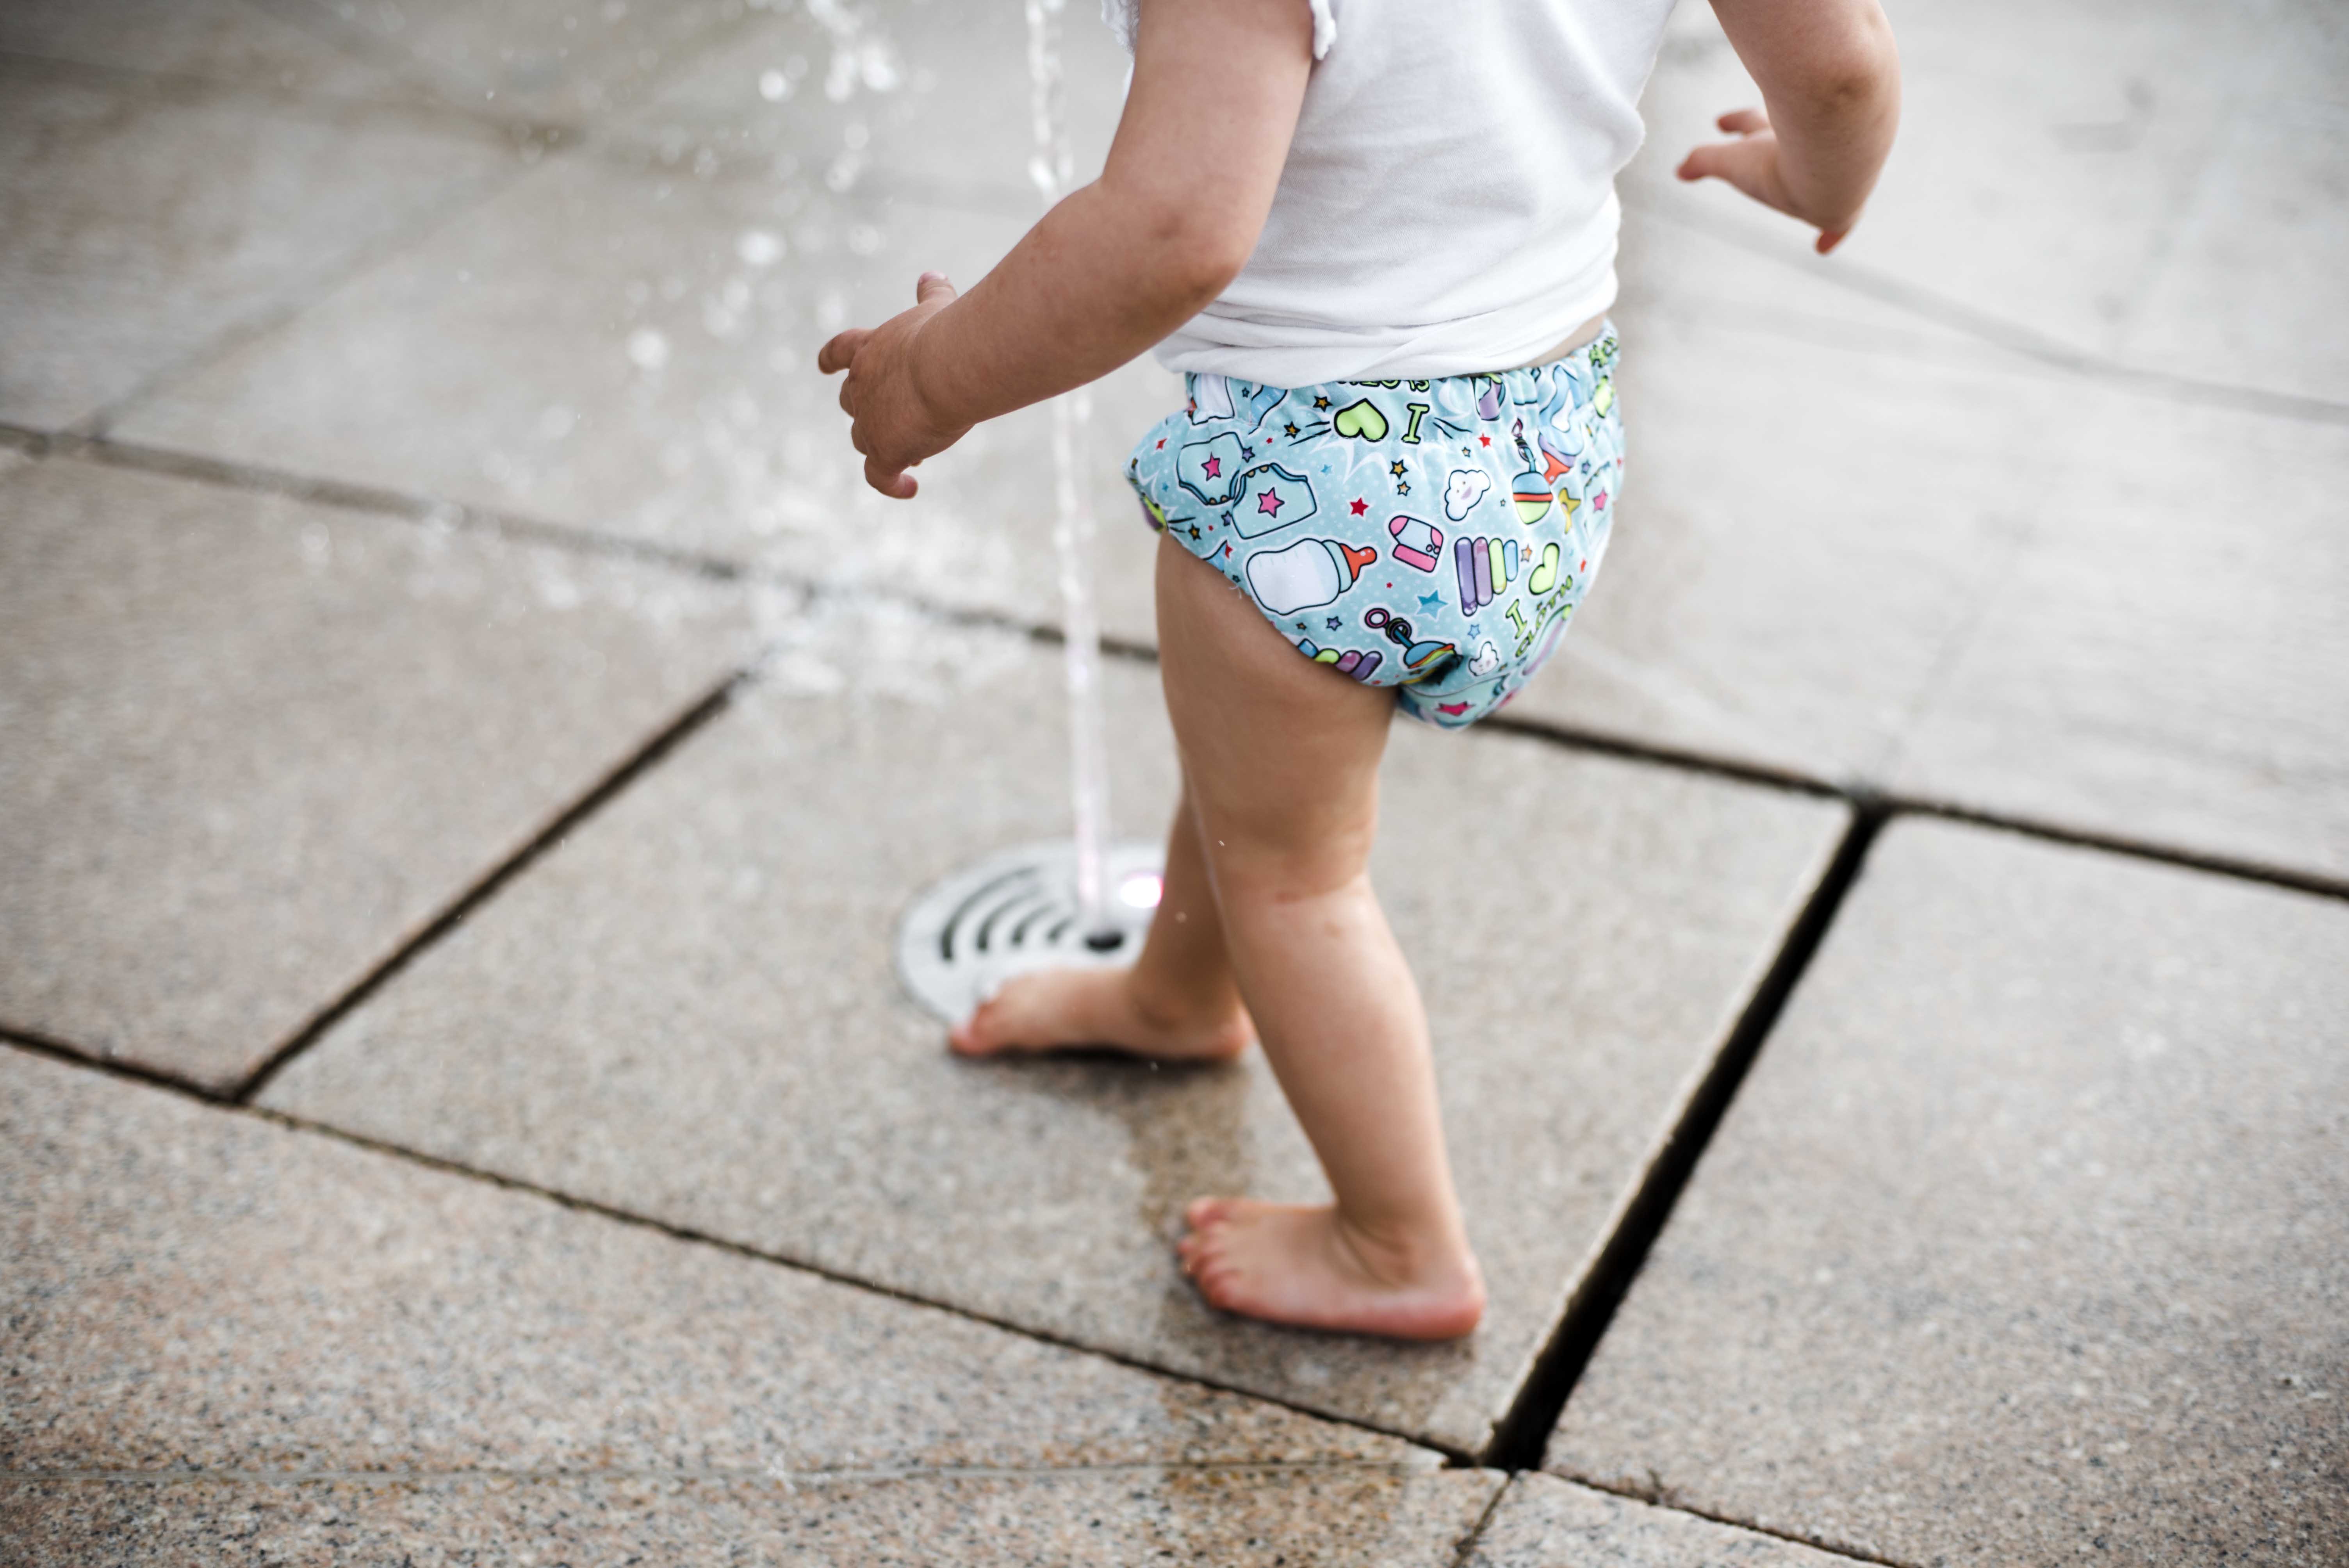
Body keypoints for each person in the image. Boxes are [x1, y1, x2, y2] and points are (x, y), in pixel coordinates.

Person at [818, 0, 1898, 1340]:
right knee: (1257, 791)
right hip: (1547, 442)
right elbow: (1842, 64)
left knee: (1298, 878)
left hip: (1317, 477)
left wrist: (938, 372)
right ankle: (1177, 994)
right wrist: (1811, 179)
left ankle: (1398, 1243)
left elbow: (1173, 233)